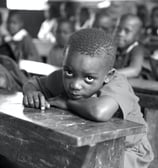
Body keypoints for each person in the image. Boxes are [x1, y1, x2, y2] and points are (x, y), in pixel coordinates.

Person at [23, 28, 153, 168]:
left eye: (89, 78)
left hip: (127, 151)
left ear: (108, 76)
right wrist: (32, 93)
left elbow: (100, 112)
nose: (75, 85)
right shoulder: (63, 77)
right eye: (69, 72)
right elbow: (33, 83)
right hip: (91, 144)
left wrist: (67, 103)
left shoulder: (118, 84)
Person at [115, 13, 147, 78]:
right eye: (119, 29)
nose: (120, 34)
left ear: (137, 35)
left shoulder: (137, 48)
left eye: (127, 31)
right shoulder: (115, 48)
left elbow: (134, 70)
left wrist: (108, 75)